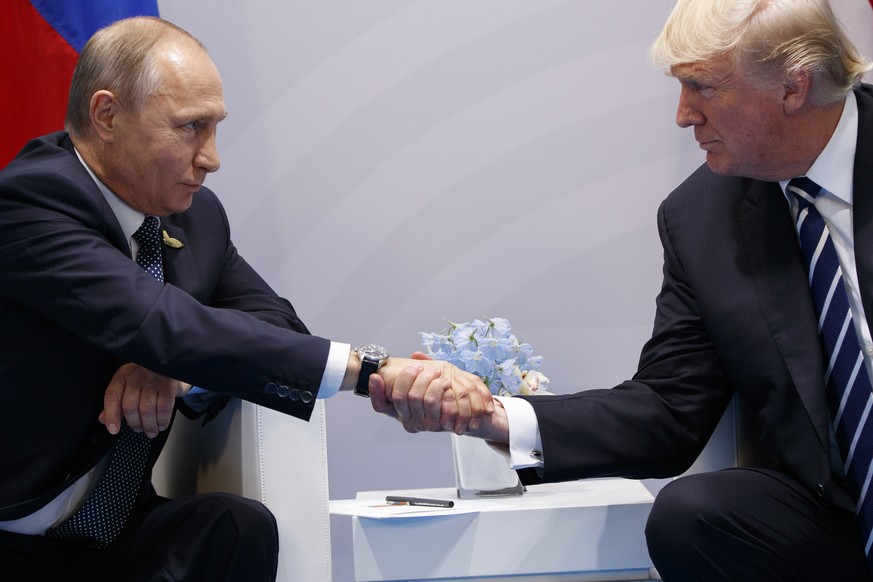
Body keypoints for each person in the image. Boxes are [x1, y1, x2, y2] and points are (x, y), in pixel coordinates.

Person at [371, 0, 873, 579]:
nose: (684, 115)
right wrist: (494, 418)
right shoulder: (702, 219)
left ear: (793, 86)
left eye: (701, 87)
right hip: (838, 520)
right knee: (695, 514)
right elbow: (667, 409)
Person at [0, 16, 490, 582]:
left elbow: (277, 324)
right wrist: (373, 369)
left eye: (215, 128)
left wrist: (175, 372)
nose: (211, 158)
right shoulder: (29, 204)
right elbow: (162, 324)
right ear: (106, 115)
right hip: (12, 533)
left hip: (108, 535)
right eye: (189, 127)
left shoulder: (195, 215)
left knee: (236, 527)